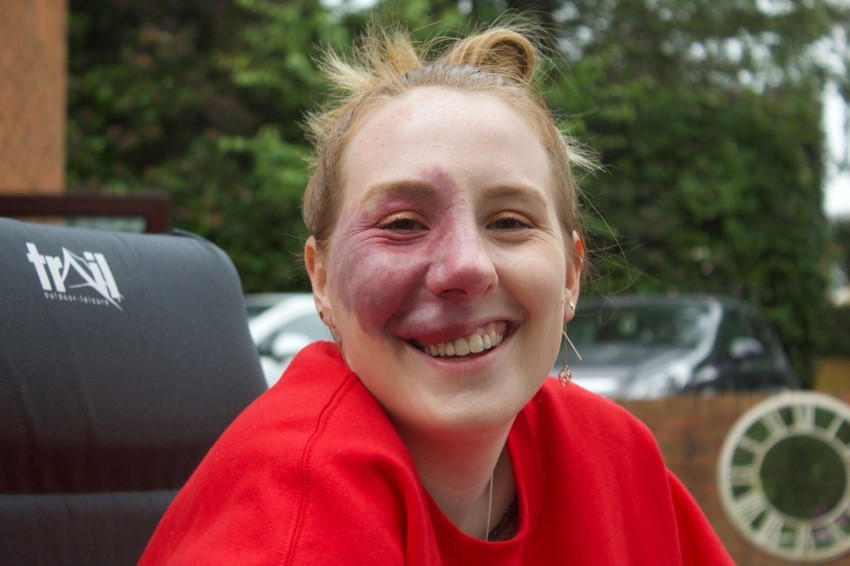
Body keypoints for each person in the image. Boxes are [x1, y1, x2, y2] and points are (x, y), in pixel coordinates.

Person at [141, 21, 734, 565]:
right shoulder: (294, 522)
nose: (467, 267)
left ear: (572, 273)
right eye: (402, 224)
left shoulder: (616, 457)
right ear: (321, 279)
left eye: (509, 221)